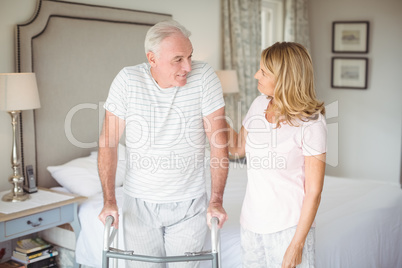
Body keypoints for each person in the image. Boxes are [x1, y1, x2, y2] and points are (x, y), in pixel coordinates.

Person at [97, 20, 228, 268]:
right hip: (138, 206)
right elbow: (108, 143)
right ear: (152, 59)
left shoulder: (204, 76)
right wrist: (109, 200)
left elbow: (218, 144)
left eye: (189, 56)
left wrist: (216, 200)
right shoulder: (128, 80)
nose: (188, 66)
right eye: (178, 59)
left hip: (190, 204)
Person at [228, 42, 327, 268]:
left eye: (263, 71)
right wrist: (211, 115)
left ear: (284, 78)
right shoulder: (259, 103)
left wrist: (296, 245)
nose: (255, 75)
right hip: (251, 225)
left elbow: (314, 191)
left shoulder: (311, 123)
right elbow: (236, 148)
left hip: (288, 228)